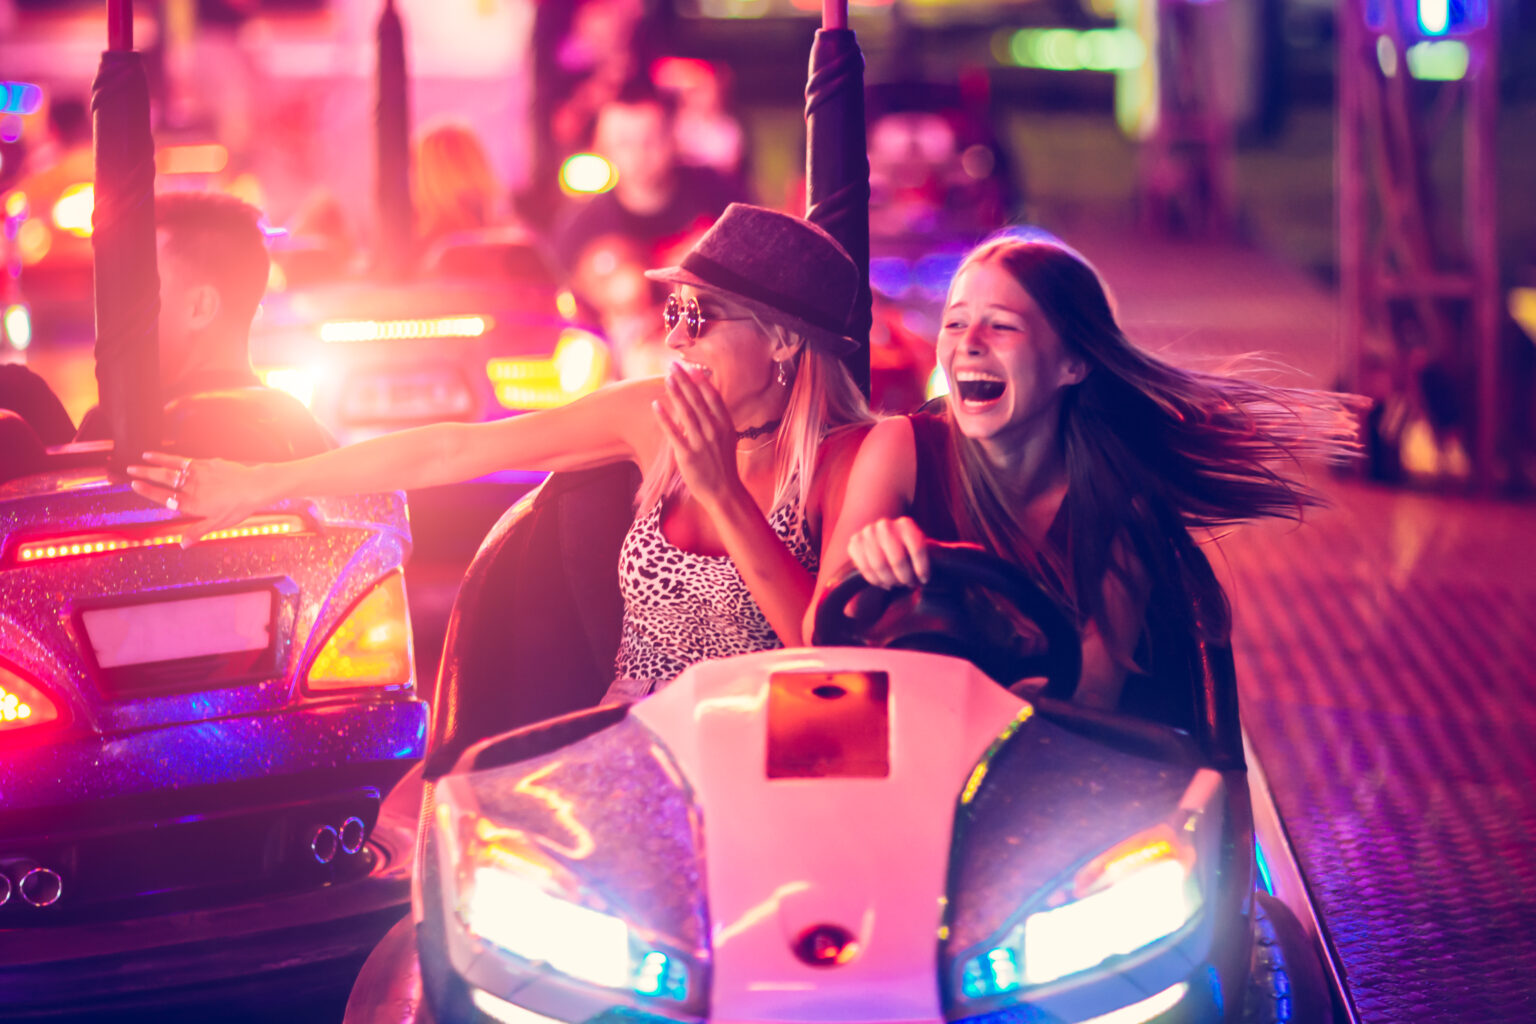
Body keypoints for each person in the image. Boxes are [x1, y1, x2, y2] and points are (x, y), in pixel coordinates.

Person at [129, 204, 873, 696]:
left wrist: (720, 494)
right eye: (673, 311)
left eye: (700, 316)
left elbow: (828, 650)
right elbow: (448, 453)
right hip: (630, 742)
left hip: (768, 754)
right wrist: (262, 481)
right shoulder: (652, 418)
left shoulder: (859, 456)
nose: (674, 337)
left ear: (781, 339)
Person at [814, 231, 1358, 716]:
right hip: (909, 748)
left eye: (1002, 326)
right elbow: (816, 632)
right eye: (954, 322)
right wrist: (869, 563)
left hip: (1047, 775)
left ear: (1071, 365)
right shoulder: (902, 449)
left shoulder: (1118, 501)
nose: (968, 342)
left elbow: (1093, 692)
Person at [76, 191, 315, 443]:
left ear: (199, 308)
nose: (123, 312)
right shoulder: (302, 432)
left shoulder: (120, 431)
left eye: (139, 290)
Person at [552, 80, 745, 275]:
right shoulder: (580, 228)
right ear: (602, 146)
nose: (638, 155)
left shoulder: (720, 196)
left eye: (651, 140)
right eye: (624, 143)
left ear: (673, 139)